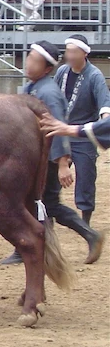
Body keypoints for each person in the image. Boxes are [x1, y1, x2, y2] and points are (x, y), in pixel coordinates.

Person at [0, 41, 104, 266]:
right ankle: (28, 246)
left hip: (47, 161)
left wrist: (62, 163)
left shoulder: (49, 92)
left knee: (47, 204)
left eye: (35, 61)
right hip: (35, 160)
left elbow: (58, 128)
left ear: (47, 69)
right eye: (29, 57)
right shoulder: (32, 87)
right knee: (36, 204)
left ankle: (88, 235)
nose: (29, 63)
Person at [53, 35, 110, 226]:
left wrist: (104, 123)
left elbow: (104, 105)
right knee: (50, 175)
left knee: (86, 177)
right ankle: (49, 213)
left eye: (73, 51)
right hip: (60, 132)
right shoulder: (62, 71)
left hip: (82, 134)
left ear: (84, 53)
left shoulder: (94, 76)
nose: (68, 55)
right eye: (67, 51)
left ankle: (85, 219)